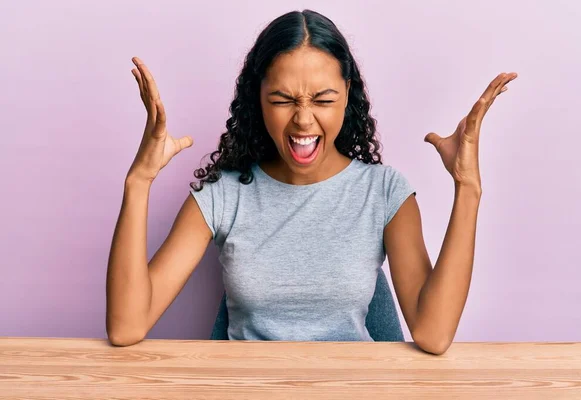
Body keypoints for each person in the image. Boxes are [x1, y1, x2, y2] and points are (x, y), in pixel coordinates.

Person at [105, 9, 517, 354]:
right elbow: (126, 327)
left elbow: (434, 333)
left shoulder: (384, 192)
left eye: (323, 100)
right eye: (283, 100)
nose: (303, 119)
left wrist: (468, 186)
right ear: (258, 99)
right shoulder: (223, 195)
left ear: (347, 93)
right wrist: (138, 181)